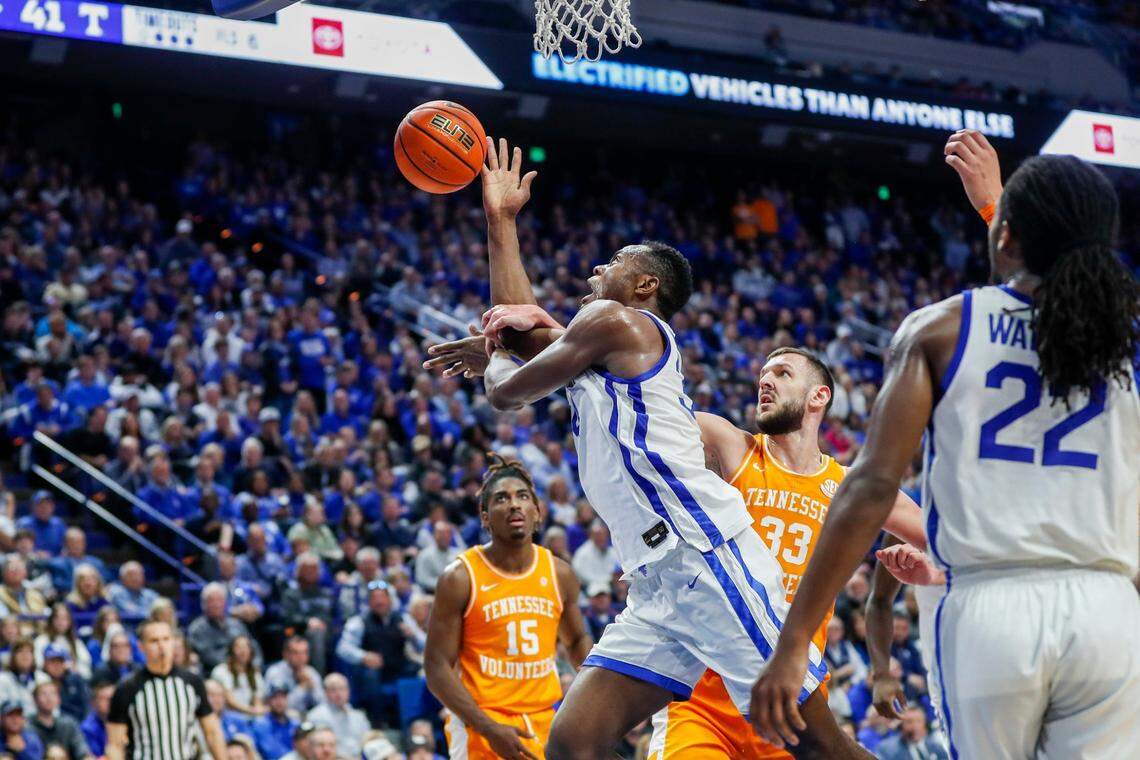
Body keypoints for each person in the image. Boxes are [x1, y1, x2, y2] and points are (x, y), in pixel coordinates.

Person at [426, 137, 865, 758]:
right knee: (574, 743)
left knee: (817, 743)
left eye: (613, 262)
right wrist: (501, 220)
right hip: (658, 583)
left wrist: (497, 355)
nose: (595, 271)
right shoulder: (600, 341)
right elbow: (519, 326)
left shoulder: (620, 323)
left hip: (704, 556)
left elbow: (506, 388)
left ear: (644, 285)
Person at [751, 133, 1140, 756]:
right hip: (1109, 610)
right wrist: (1001, 211)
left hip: (996, 610)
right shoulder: (1123, 344)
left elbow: (874, 487)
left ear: (1008, 238)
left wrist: (796, 637)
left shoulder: (941, 328)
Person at [639, 347, 924, 759]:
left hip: (794, 703)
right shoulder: (732, 447)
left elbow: (940, 538)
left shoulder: (849, 488)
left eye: (783, 373)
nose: (765, 381)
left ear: (819, 396)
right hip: (704, 701)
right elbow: (640, 402)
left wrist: (919, 565)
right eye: (763, 375)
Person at [426, 455, 592, 759]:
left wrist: (595, 695)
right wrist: (487, 727)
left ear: (537, 513)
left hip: (544, 719)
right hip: (481, 721)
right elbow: (436, 668)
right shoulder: (460, 578)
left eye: (523, 496)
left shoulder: (560, 573)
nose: (514, 504)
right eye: (502, 499)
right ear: (486, 517)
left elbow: (577, 639)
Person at [106, 620, 228, 759]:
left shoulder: (192, 682)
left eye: (166, 639)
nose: (161, 646)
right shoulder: (127, 688)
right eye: (154, 641)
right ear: (141, 646)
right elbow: (115, 744)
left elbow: (212, 732)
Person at [334, 581, 407, 725]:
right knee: (370, 675)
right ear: (369, 602)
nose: (379, 601)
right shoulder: (359, 621)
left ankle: (410, 722)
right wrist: (363, 656)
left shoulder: (402, 619)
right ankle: (376, 722)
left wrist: (412, 636)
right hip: (371, 670)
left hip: (397, 666)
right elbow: (342, 648)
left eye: (382, 597)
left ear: (389, 600)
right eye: (375, 598)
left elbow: (424, 642)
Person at [304, 674, 368, 760]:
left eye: (342, 689)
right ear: (325, 692)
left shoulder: (359, 716)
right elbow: (319, 749)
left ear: (348, 691)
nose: (339, 693)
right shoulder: (316, 715)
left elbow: (368, 741)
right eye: (333, 690)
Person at [27, 681, 91, 760]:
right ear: (34, 700)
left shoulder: (69, 724)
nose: (49, 698)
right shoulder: (27, 726)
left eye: (53, 693)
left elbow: (82, 751)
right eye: (43, 694)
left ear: (59, 699)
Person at [263, 638, 322, 716]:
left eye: (304, 652)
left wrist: (313, 688)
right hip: (281, 718)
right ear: (285, 654)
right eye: (296, 652)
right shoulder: (275, 672)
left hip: (307, 718)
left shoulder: (311, 672)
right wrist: (302, 687)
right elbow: (278, 705)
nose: (301, 657)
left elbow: (323, 703)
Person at [874, 706, 949, 760]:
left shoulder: (938, 747)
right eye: (909, 722)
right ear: (901, 726)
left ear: (926, 724)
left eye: (919, 721)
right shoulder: (887, 749)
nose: (915, 726)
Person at [250, 683, 297, 760]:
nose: (279, 701)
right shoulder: (261, 724)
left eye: (283, 697)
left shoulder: (294, 724)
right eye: (275, 697)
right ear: (268, 701)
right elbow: (272, 752)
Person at [79, 681, 114, 757]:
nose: (111, 701)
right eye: (104, 698)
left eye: (113, 698)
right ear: (93, 703)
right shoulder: (87, 728)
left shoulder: (126, 721)